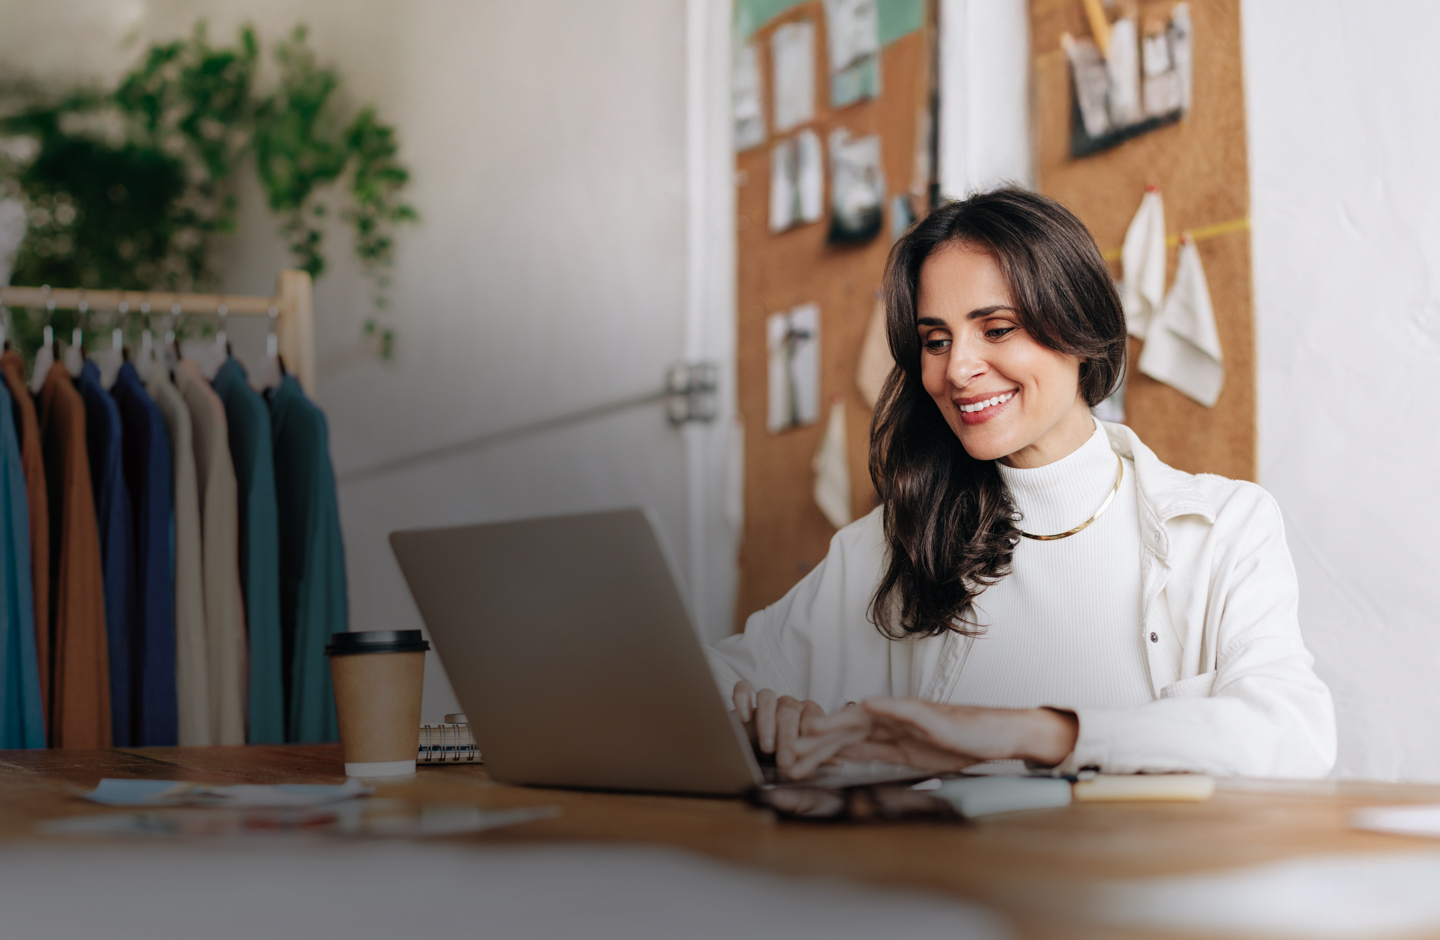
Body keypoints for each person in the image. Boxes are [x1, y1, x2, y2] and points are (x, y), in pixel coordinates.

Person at [708, 188, 1336, 781]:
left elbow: (1293, 735)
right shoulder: (895, 541)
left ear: (1077, 326)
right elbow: (703, 682)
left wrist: (1033, 733)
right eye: (935, 340)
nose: (957, 369)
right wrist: (759, 718)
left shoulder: (1224, 527)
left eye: (997, 329)